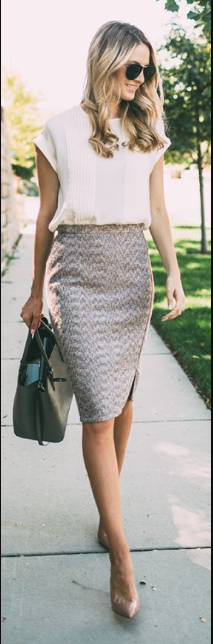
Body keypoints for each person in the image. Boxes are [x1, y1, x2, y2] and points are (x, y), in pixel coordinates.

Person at [20, 21, 186, 619]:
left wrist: (173, 270)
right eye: (132, 69)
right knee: (97, 411)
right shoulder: (59, 130)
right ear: (105, 63)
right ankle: (121, 551)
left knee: (123, 399)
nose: (141, 81)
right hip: (78, 271)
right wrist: (36, 290)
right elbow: (43, 218)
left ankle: (105, 515)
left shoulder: (149, 133)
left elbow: (160, 210)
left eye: (148, 71)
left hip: (130, 271)